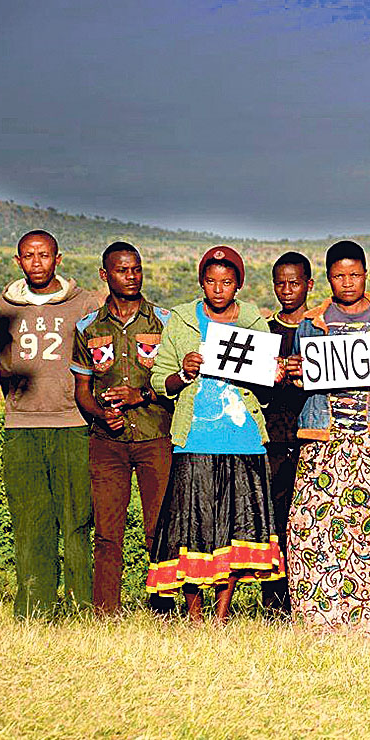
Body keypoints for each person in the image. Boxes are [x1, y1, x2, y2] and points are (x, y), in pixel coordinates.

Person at [285, 240, 370, 630]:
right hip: (324, 439)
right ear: (328, 278)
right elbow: (301, 379)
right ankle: (320, 616)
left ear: (366, 274)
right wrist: (296, 373)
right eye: (339, 276)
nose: (347, 282)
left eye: (354, 274)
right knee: (313, 526)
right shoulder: (311, 322)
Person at [149, 246, 284, 623]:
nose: (218, 288)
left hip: (243, 440)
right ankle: (194, 615)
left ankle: (222, 616)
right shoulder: (181, 320)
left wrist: (272, 375)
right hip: (195, 440)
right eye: (211, 281)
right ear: (201, 282)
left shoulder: (253, 321)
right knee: (192, 529)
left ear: (238, 285)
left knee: (234, 531)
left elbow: (266, 386)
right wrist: (183, 373)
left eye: (227, 282)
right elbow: (159, 379)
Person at [0, 229, 101, 617]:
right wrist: (19, 404)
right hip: (21, 426)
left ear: (58, 259)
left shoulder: (84, 302)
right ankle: (34, 607)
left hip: (72, 423)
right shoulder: (5, 306)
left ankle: (80, 605)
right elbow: (4, 365)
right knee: (30, 522)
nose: (36, 262)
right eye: (28, 256)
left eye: (44, 255)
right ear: (18, 261)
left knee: (76, 520)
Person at [71, 241, 174, 617]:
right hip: (107, 442)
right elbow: (82, 390)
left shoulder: (164, 322)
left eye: (136, 269)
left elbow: (176, 382)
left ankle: (163, 607)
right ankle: (105, 612)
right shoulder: (88, 327)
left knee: (159, 527)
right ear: (105, 274)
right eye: (122, 270)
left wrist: (140, 397)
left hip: (155, 437)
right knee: (107, 531)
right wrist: (101, 414)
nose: (131, 277)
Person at [261, 251, 314, 616]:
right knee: (275, 521)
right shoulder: (265, 331)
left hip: (312, 436)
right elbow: (256, 388)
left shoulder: (321, 328)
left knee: (308, 523)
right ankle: (275, 603)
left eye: (294, 283)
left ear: (308, 285)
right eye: (280, 284)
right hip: (275, 439)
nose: (287, 290)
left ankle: (308, 601)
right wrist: (276, 373)